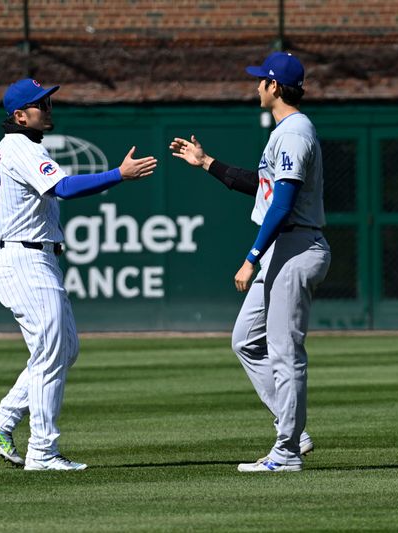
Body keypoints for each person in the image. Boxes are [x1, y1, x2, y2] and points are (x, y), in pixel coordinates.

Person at [0, 78, 157, 471]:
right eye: (40, 104)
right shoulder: (19, 147)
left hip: (35, 258)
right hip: (25, 259)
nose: (48, 109)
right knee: (50, 354)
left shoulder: (16, 147)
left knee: (63, 350)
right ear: (20, 115)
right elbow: (65, 187)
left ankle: (2, 420)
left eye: (48, 102)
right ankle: (42, 451)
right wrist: (117, 175)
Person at [169, 52, 330, 473]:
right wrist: (206, 163)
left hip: (294, 248)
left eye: (260, 80)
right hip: (285, 246)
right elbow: (260, 187)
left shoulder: (295, 133)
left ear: (274, 87)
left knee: (284, 351)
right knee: (245, 340)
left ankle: (287, 451)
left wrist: (251, 257)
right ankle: (293, 429)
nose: (255, 86)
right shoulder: (284, 131)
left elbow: (283, 203)